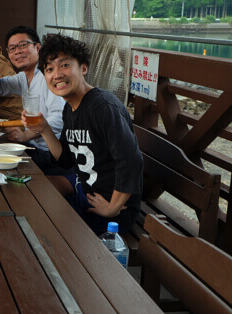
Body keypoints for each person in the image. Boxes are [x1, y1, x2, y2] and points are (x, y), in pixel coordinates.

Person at [21, 34, 143, 235]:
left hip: (108, 206)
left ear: (83, 68)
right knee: (30, 195)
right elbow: (66, 160)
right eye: (49, 69)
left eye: (64, 65)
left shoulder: (102, 106)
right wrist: (44, 129)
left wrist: (112, 208)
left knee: (44, 228)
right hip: (85, 190)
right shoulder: (70, 108)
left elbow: (131, 160)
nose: (57, 74)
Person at [0, 26, 67, 174]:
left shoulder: (48, 76)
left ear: (37, 47)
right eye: (12, 48)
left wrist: (25, 135)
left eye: (23, 45)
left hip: (49, 154)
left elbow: (59, 118)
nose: (17, 51)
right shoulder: (23, 77)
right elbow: (0, 87)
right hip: (33, 146)